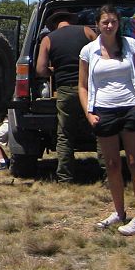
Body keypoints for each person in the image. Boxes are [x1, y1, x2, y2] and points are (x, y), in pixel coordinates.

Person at [79, 4, 135, 235]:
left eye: (113, 22)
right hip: (104, 110)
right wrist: (88, 113)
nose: (109, 26)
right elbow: (82, 86)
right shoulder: (89, 50)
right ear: (97, 25)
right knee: (111, 164)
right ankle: (119, 213)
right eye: (105, 22)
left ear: (119, 23)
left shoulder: (130, 45)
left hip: (131, 107)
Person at [36, 11, 97, 182]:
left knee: (65, 135)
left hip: (65, 90)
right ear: (71, 20)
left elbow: (40, 69)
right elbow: (102, 56)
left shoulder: (48, 39)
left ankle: (65, 177)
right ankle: (108, 175)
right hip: (90, 88)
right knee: (101, 131)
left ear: (54, 24)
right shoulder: (87, 31)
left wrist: (54, 72)